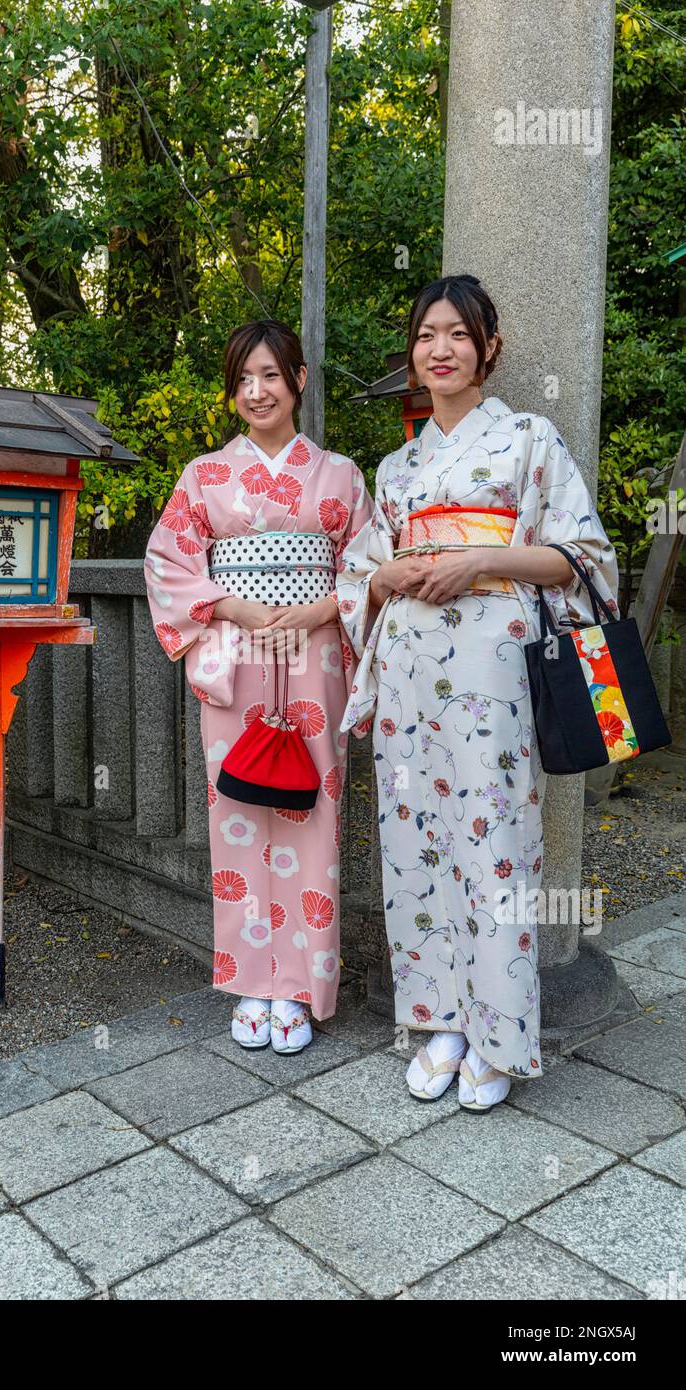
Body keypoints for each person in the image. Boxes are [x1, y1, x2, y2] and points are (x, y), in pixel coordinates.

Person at [336, 274, 619, 1110]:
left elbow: (584, 557)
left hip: (493, 669)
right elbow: (362, 576)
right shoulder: (396, 466)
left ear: (489, 347)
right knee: (414, 839)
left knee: (492, 837)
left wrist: (483, 560)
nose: (442, 349)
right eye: (427, 335)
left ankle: (499, 1035)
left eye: (460, 333)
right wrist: (387, 574)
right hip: (410, 678)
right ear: (413, 355)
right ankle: (440, 1021)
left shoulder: (530, 439)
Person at [144, 320, 374, 1053]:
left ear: (299, 380)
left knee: (314, 813)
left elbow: (370, 570)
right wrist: (235, 605)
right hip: (237, 655)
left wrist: (315, 611)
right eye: (243, 379)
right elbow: (167, 561)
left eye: (270, 375)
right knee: (237, 809)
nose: (256, 391)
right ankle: (249, 982)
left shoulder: (340, 475)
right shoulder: (203, 476)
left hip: (316, 656)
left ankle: (303, 988)